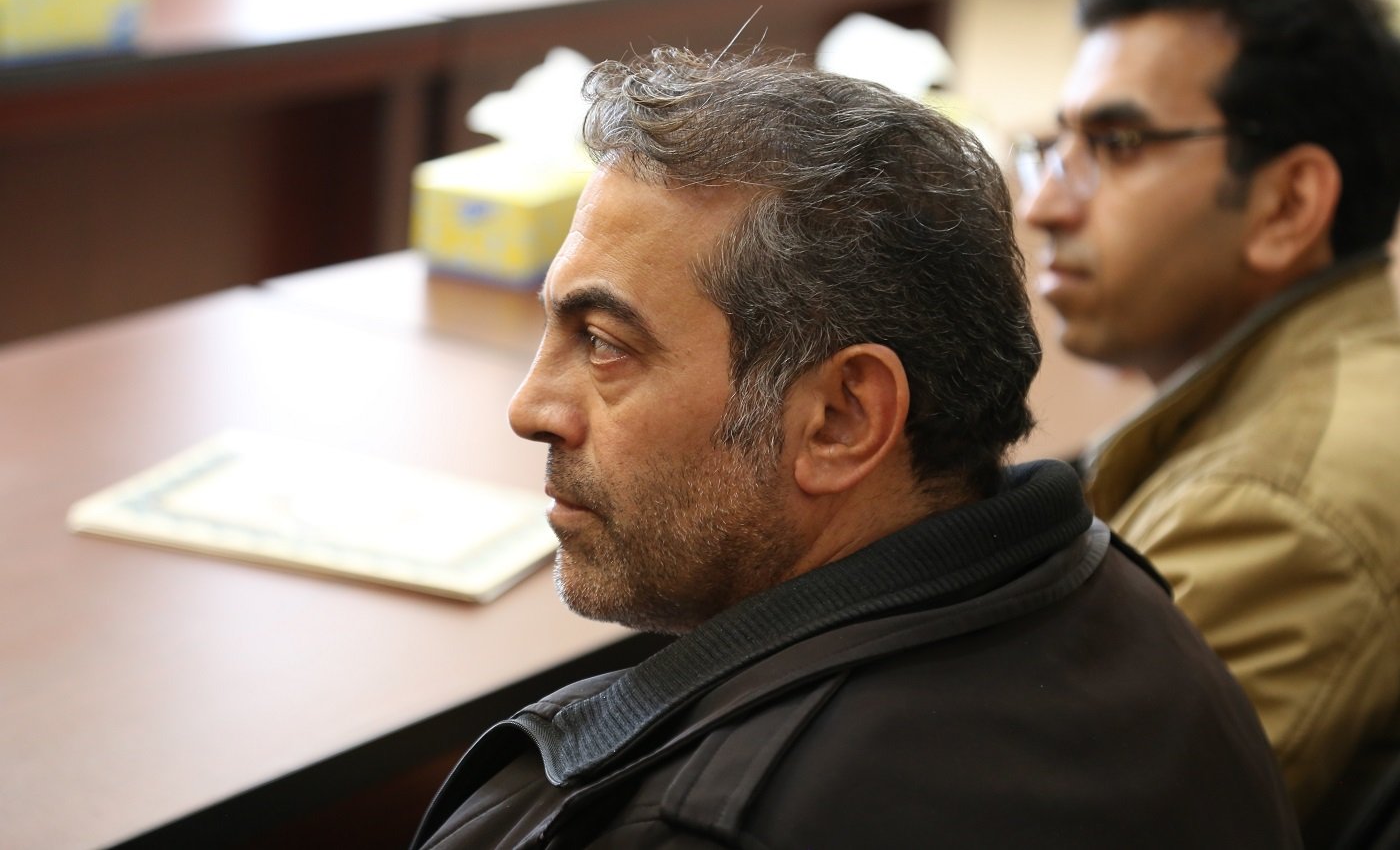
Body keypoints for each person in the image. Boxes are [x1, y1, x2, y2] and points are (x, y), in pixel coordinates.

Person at [410, 45, 1299, 850]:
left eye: (605, 343)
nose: (531, 408)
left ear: (841, 418)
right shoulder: (1151, 634)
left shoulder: (699, 826)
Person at [1015, 0, 1400, 827]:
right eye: (1056, 145)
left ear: (1289, 203)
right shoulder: (1312, 396)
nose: (1045, 203)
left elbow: (1054, 825)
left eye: (1117, 143)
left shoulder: (1270, 504)